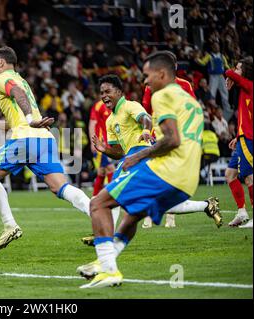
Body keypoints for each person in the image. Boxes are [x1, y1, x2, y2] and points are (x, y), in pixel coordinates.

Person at [77, 52, 214, 288]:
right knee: (132, 214)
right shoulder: (191, 102)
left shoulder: (161, 96)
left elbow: (170, 138)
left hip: (164, 169)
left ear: (162, 73)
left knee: (98, 203)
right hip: (188, 179)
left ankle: (108, 269)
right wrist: (106, 149)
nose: (146, 82)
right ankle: (105, 262)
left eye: (148, 76)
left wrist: (139, 154)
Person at [81, 73, 221, 247]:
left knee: (113, 193)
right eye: (101, 93)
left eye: (107, 91)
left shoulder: (131, 106)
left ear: (118, 91)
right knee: (155, 203)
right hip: (129, 158)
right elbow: (118, 151)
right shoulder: (110, 120)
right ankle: (206, 205)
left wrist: (146, 130)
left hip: (142, 154)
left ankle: (103, 236)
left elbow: (145, 118)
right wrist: (106, 150)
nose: (104, 96)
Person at [0, 46, 91, 251]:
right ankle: (99, 216)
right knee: (61, 187)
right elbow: (17, 118)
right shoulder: (21, 79)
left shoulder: (0, 78)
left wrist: (30, 119)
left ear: (2, 63)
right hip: (44, 139)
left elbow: (17, 94)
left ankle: (9, 226)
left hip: (25, 138)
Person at [141, 51, 197, 228]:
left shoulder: (185, 85)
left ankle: (170, 215)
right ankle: (150, 213)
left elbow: (192, 109)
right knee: (153, 176)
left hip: (179, 138)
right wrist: (145, 129)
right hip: (157, 137)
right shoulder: (151, 87)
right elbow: (146, 111)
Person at [225, 56, 253, 228]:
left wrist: (230, 75)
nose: (235, 70)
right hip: (243, 137)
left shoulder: (249, 86)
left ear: (246, 71)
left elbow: (228, 72)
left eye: (239, 68)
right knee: (230, 174)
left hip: (250, 139)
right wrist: (238, 136)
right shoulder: (245, 89)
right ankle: (241, 212)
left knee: (249, 177)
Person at [88, 97, 115, 197]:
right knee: (110, 169)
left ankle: (94, 198)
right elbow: (92, 124)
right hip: (100, 144)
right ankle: (113, 196)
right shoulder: (99, 105)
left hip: (108, 144)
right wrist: (93, 142)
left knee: (102, 171)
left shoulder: (113, 106)